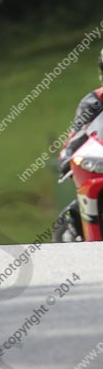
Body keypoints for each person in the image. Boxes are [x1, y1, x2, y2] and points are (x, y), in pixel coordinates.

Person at [56, 49, 103, 240]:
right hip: (100, 165)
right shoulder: (95, 101)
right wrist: (67, 157)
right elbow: (76, 135)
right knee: (73, 212)